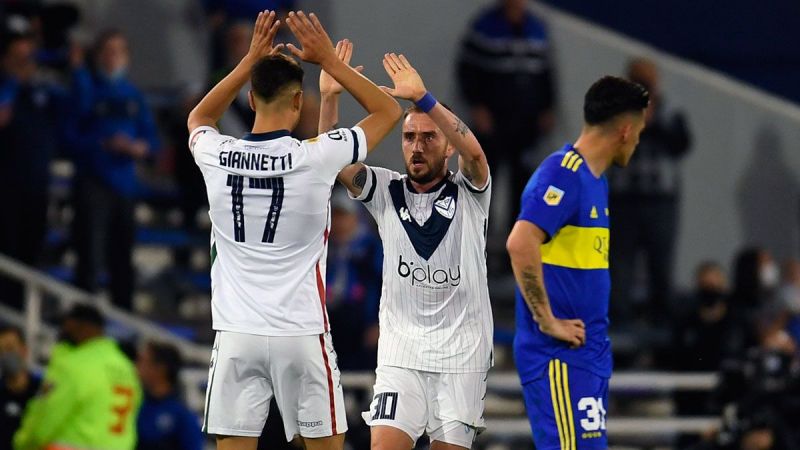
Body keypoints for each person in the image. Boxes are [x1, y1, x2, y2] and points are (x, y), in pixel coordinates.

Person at [186, 10, 401, 450]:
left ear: (250, 99)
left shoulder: (216, 153)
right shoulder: (316, 156)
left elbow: (199, 117)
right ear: (299, 101)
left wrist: (248, 60)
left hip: (236, 333)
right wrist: (329, 61)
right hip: (300, 333)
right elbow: (388, 110)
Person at [324, 43, 493, 449]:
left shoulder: (471, 192)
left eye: (429, 136)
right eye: (409, 136)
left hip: (462, 359)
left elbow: (475, 152)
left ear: (448, 146)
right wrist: (329, 98)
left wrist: (423, 98)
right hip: (402, 355)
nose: (417, 146)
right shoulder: (386, 190)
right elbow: (332, 159)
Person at [506, 76, 649, 449]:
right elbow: (520, 242)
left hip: (586, 355)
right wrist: (546, 319)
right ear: (626, 130)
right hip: (558, 356)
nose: (638, 140)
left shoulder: (595, 181)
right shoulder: (563, 173)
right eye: (639, 132)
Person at [67, 29, 160, 311]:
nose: (113, 57)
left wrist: (139, 148)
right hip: (93, 182)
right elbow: (69, 136)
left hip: (125, 186)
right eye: (107, 51)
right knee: (90, 257)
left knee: (122, 258)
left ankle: (124, 319)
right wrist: (102, 143)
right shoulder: (86, 90)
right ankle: (84, 320)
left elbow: (152, 141)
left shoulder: (134, 96)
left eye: (118, 51)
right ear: (97, 56)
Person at [457, 0, 555, 233]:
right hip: (492, 120)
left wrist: (547, 108)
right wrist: (476, 106)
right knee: (485, 179)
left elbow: (546, 74)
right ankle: (479, 236)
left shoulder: (537, 29)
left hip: (526, 122)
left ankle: (516, 237)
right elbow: (467, 70)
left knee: (523, 181)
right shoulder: (484, 27)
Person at [607, 58, 692, 321]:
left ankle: (661, 319)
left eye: (646, 82)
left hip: (660, 198)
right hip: (624, 197)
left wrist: (654, 121)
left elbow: (681, 145)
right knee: (621, 263)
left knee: (661, 262)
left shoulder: (670, 110)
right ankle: (620, 320)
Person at [13, 304, 142, 450]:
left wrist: (22, 443)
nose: (62, 331)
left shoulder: (73, 365)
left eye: (66, 325)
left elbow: (46, 417)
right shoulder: (126, 368)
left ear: (81, 326)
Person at [0, 32, 65, 309]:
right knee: (7, 254)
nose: (24, 63)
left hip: (36, 186)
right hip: (5, 187)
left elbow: (74, 111)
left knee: (31, 254)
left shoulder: (44, 92)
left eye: (28, 57)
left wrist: (75, 70)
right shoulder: (7, 89)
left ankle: (22, 316)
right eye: (18, 58)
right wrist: (14, 82)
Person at [326, 188, 383, 371]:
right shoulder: (324, 247)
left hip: (361, 324)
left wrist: (377, 323)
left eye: (343, 215)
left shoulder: (372, 248)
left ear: (356, 217)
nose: (338, 222)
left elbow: (382, 286)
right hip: (331, 322)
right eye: (334, 216)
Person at [136, 341, 203, 450]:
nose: (136, 367)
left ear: (160, 369)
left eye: (142, 361)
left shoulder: (182, 416)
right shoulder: (136, 403)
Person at [0, 326, 41, 449]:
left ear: (24, 351)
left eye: (9, 348)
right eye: (1, 351)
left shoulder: (41, 390)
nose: (5, 355)